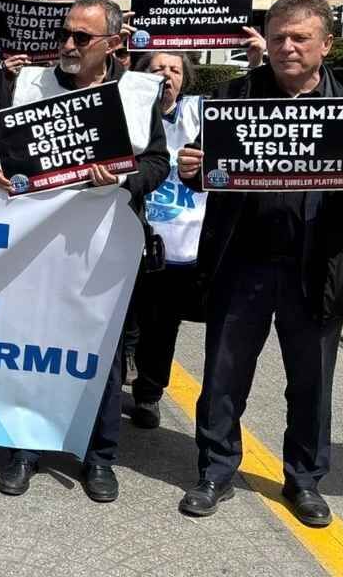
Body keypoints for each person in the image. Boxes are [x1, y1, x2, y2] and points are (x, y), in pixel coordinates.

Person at [175, 0, 343, 527]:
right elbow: (203, 174)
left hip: (318, 267)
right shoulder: (234, 96)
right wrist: (192, 169)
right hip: (242, 264)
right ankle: (216, 470)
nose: (287, 47)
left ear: (326, 45)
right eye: (279, 36)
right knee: (223, 376)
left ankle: (304, 480)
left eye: (300, 38)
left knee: (311, 382)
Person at [0, 0, 169, 503]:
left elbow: (157, 163)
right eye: (64, 34)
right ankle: (26, 448)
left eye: (81, 37)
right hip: (39, 242)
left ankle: (100, 455)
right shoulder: (30, 84)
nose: (68, 44)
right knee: (32, 347)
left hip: (106, 244)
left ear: (112, 43)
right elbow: (4, 154)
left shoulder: (138, 92)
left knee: (102, 354)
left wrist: (124, 179)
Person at [129, 51, 205, 431]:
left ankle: (149, 392)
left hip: (179, 245)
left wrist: (257, 62)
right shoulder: (127, 112)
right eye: (158, 68)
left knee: (162, 325)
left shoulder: (198, 113)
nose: (166, 75)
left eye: (175, 70)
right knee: (125, 321)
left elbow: (246, 115)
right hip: (130, 235)